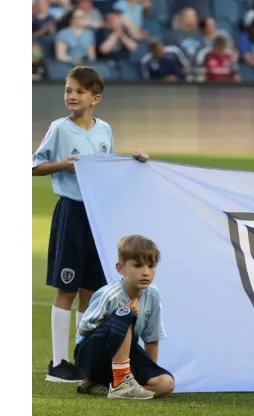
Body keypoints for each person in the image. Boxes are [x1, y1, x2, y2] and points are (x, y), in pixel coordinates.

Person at [31, 66, 149, 383]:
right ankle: (57, 364)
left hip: (97, 214)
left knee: (90, 291)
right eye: (68, 90)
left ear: (94, 98)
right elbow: (33, 165)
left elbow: (107, 168)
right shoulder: (60, 129)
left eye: (79, 91)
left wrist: (133, 160)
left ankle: (82, 358)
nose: (71, 96)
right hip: (71, 212)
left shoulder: (104, 131)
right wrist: (63, 166)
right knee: (66, 288)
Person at [74, 234, 175, 399]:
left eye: (151, 266)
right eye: (138, 266)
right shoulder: (109, 294)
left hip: (126, 357)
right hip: (92, 357)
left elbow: (151, 339)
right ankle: (119, 383)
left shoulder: (153, 295)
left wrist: (150, 370)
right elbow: (84, 330)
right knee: (126, 314)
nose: (146, 272)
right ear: (120, 268)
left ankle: (111, 387)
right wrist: (121, 316)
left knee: (166, 384)